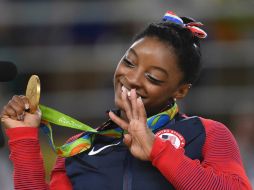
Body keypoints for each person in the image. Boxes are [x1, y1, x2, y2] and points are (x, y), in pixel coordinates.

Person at [0, 11, 251, 190]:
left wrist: (156, 150)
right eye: (129, 62)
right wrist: (23, 139)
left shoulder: (207, 133)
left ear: (181, 91)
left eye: (153, 77)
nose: (131, 78)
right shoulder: (80, 147)